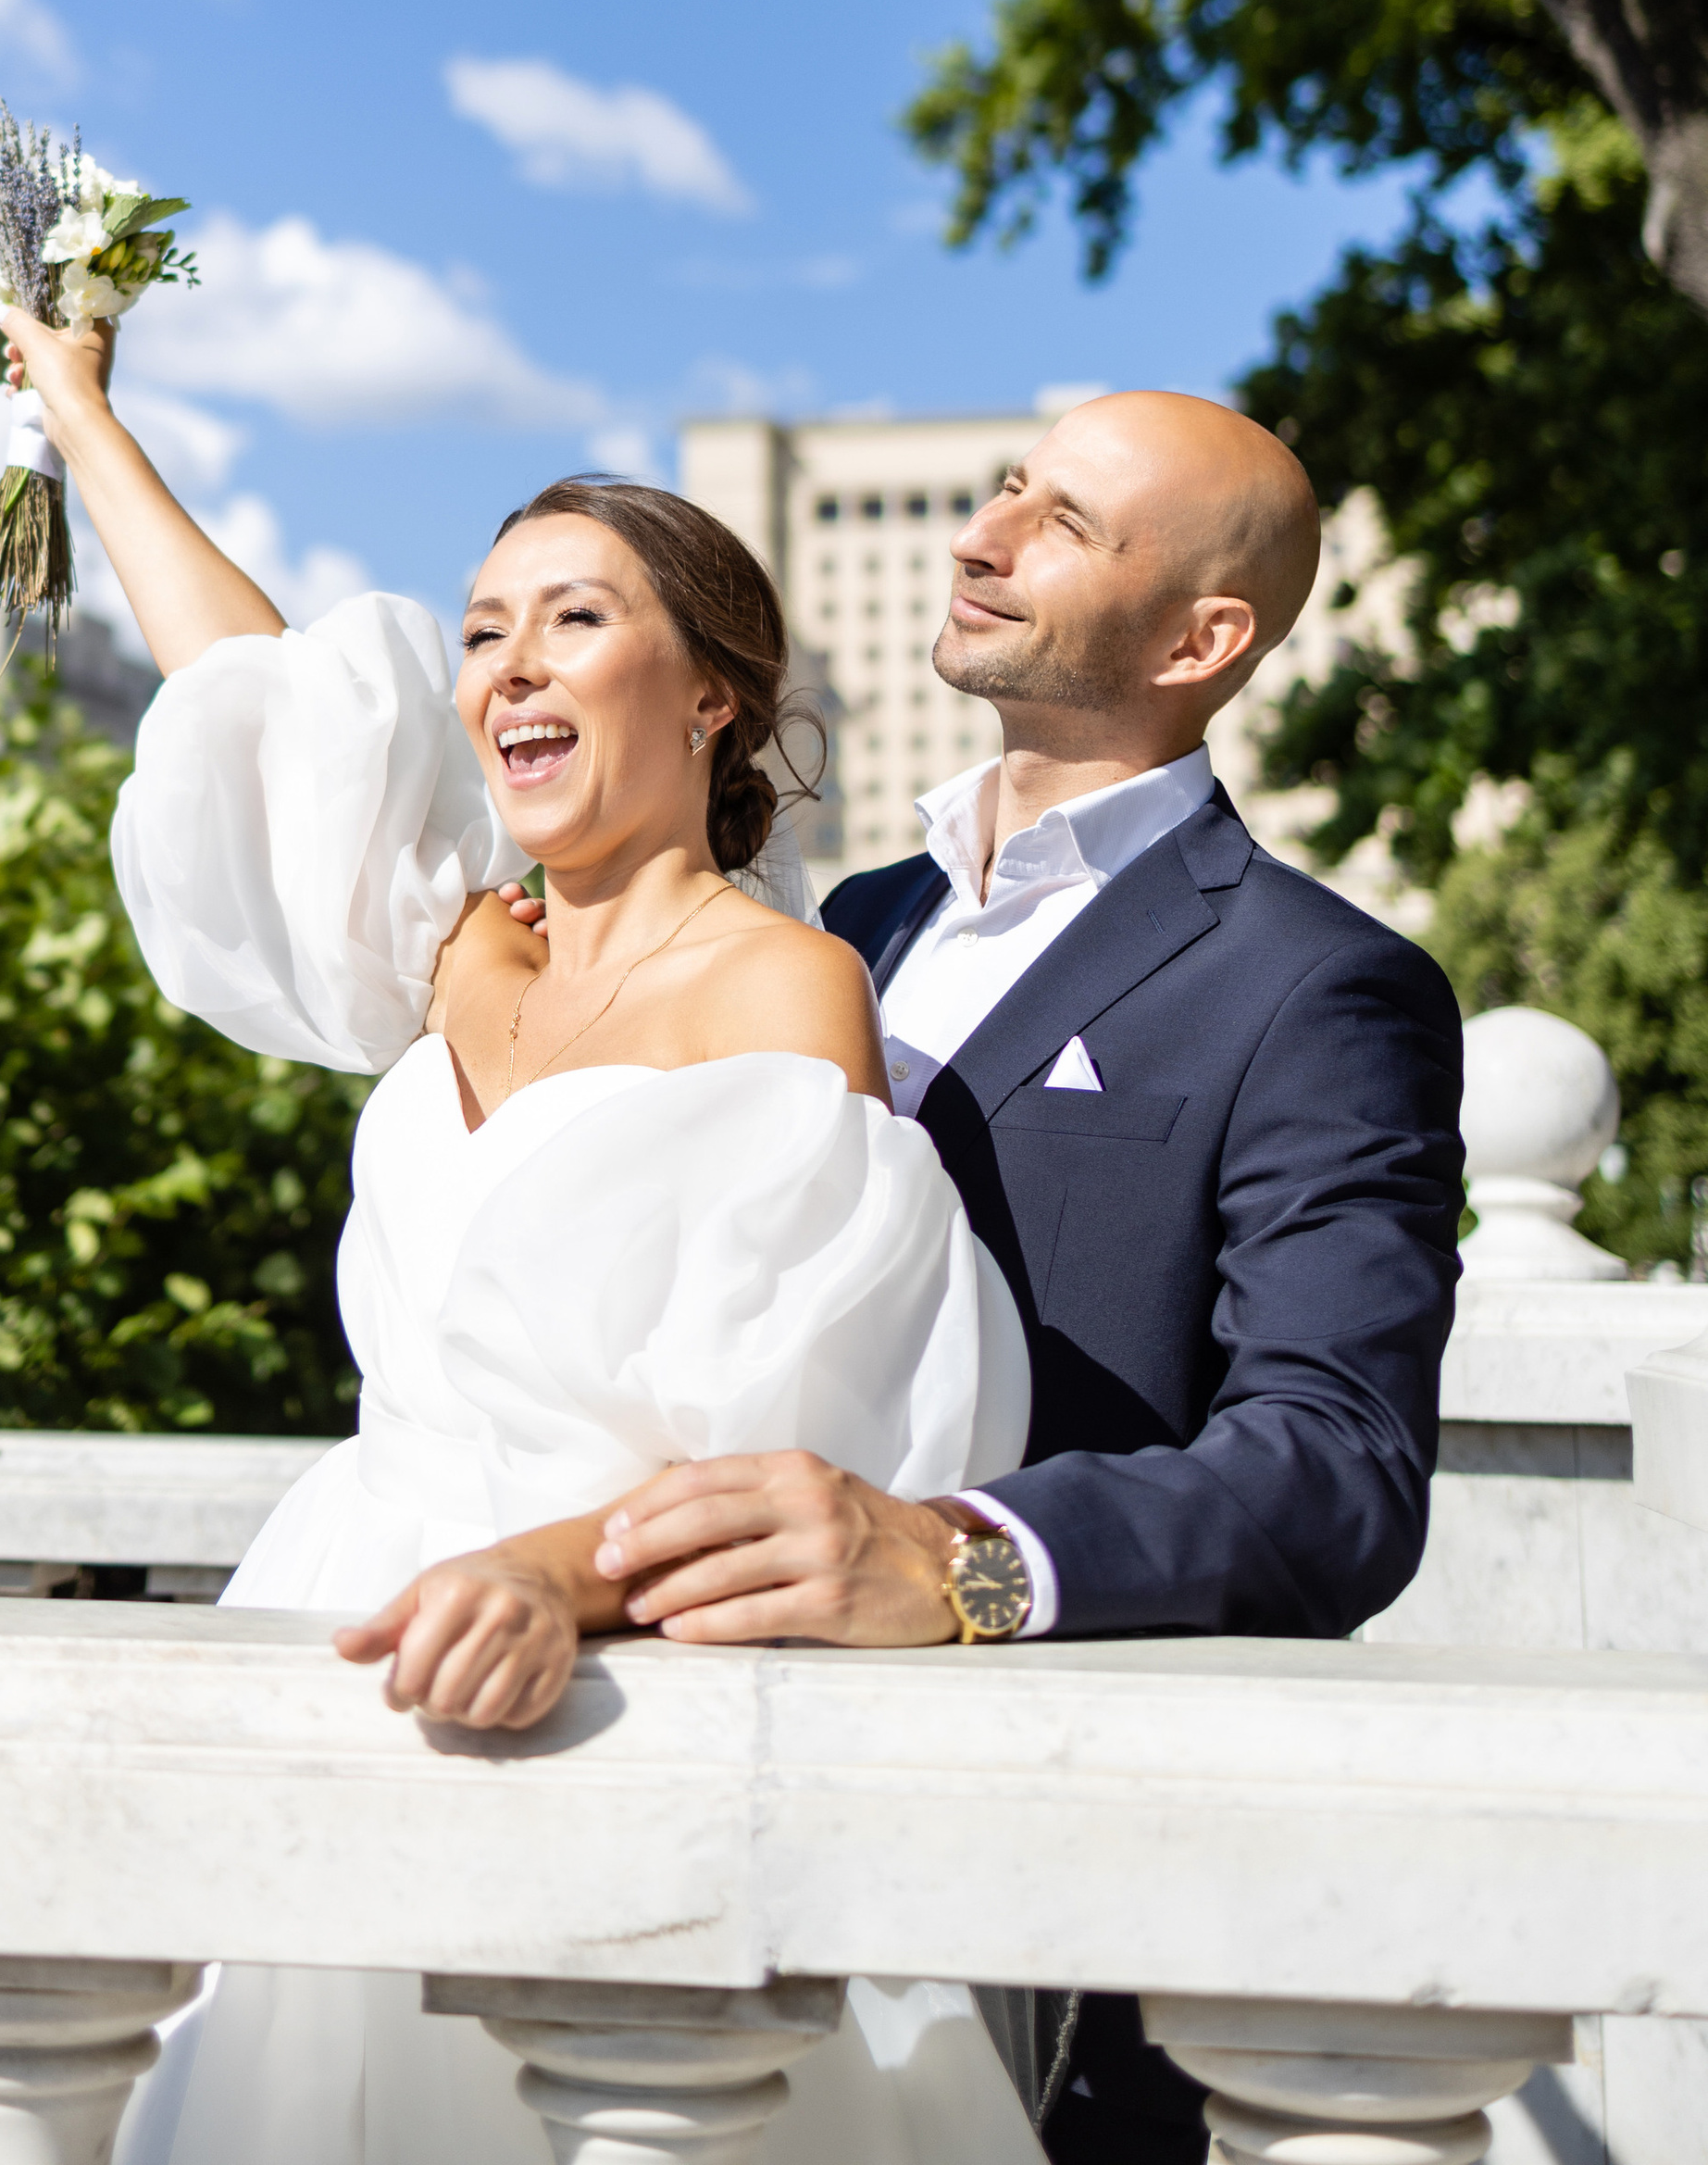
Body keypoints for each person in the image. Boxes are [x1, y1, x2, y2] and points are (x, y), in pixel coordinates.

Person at [0, 294, 1047, 2165]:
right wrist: (81, 414)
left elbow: (796, 1445)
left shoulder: (786, 993)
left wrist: (546, 1581)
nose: (507, 667)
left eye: (573, 618)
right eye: (482, 630)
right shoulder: (460, 948)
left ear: (712, 690)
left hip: (603, 1661)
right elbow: (263, 708)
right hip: (342, 1625)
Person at [590, 392, 1467, 2165]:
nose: (981, 537)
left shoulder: (1319, 988)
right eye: (999, 489)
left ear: (1203, 637)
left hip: (1032, 1885)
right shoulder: (841, 934)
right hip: (690, 1811)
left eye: (1061, 521)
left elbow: (1338, 1463)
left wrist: (961, 1562)